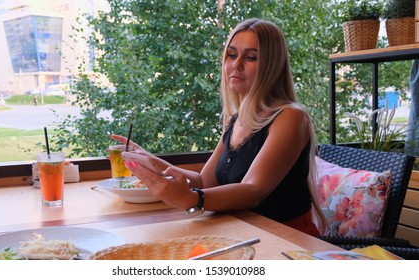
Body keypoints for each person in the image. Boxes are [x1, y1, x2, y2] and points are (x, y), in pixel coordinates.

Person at [110, 18, 326, 236]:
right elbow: (205, 181)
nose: (236, 64)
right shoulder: (235, 119)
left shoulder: (291, 117)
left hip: (289, 240)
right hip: (243, 232)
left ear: (272, 66)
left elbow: (254, 190)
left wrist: (193, 199)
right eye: (232, 55)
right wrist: (153, 162)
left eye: (251, 57)